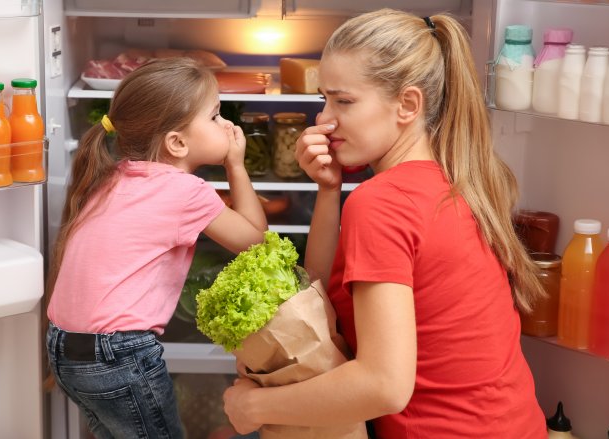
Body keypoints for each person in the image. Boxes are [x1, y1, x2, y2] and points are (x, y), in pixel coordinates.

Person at [223, 9, 548, 439]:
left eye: (344, 101)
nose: (324, 118)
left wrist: (255, 405)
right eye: (324, 99)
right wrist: (327, 191)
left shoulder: (383, 202)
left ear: (408, 105)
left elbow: (384, 386)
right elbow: (326, 297)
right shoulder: (459, 180)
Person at [46, 58, 267, 438]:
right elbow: (255, 241)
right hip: (119, 354)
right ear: (177, 143)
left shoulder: (110, 175)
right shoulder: (184, 191)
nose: (226, 125)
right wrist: (236, 165)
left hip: (65, 350)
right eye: (215, 117)